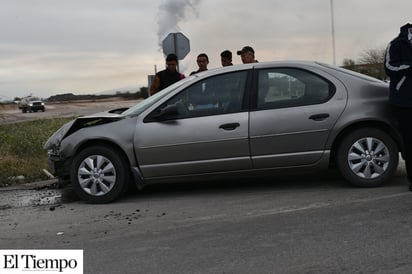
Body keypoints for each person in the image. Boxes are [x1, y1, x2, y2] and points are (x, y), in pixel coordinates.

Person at [384, 23, 412, 191]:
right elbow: (389, 67)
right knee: (410, 142)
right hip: (404, 103)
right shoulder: (396, 44)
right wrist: (410, 66)